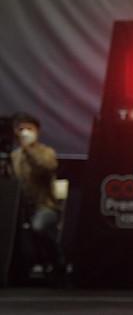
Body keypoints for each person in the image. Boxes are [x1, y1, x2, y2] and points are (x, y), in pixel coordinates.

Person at [9, 112, 61, 277]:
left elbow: (46, 168)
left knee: (38, 227)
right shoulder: (14, 156)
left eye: (29, 129)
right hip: (20, 209)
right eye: (21, 129)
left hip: (45, 207)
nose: (25, 132)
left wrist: (29, 150)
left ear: (37, 131)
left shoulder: (47, 152)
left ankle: (57, 263)